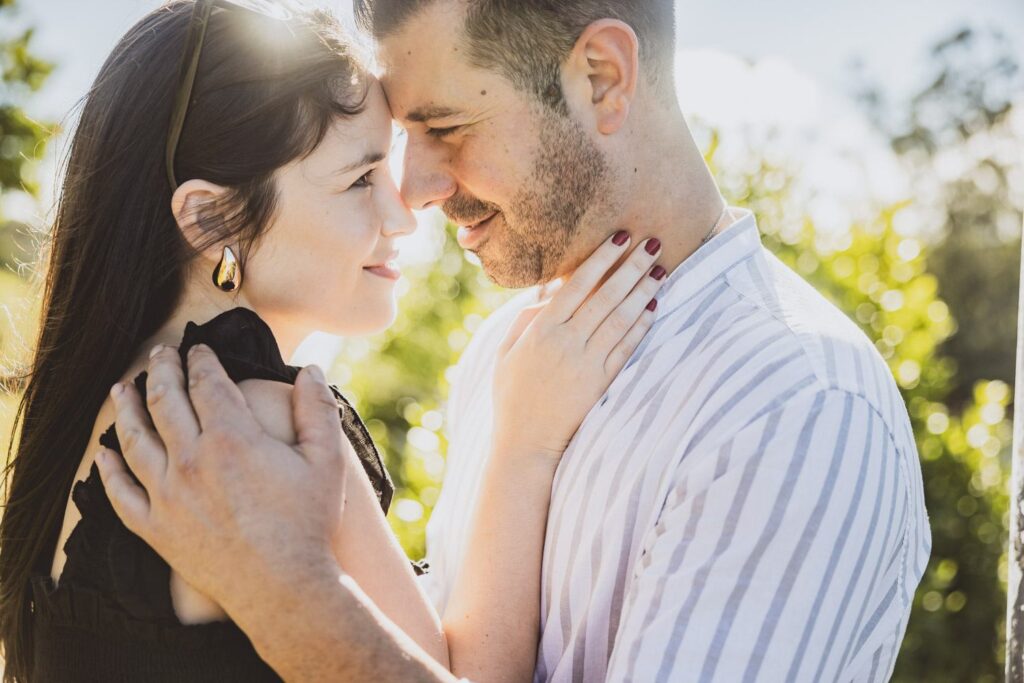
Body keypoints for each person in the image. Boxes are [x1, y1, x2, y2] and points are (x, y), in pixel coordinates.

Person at [97, 0, 933, 681]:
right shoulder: (507, 351)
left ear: (603, 78)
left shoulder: (792, 406)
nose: (414, 192)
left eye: (447, 125)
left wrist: (295, 605)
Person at [0, 2, 665, 681]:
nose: (402, 213)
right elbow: (464, 672)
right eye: (359, 179)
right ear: (210, 218)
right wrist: (524, 443)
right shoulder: (259, 423)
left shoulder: (103, 410)